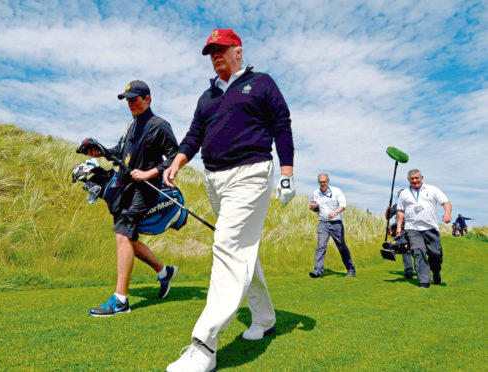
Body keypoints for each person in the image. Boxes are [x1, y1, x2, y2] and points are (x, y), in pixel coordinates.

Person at [163, 28, 295, 372]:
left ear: (238, 50)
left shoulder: (261, 82)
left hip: (251, 172)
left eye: (221, 49)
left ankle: (203, 346)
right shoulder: (206, 97)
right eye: (211, 51)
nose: (215, 55)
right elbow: (194, 135)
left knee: (226, 245)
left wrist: (288, 172)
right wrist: (178, 162)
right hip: (215, 179)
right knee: (241, 249)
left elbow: (282, 124)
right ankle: (264, 318)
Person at [86, 80, 180, 316]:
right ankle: (164, 272)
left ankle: (120, 300)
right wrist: (101, 152)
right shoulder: (131, 125)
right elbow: (119, 152)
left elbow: (175, 156)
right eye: (127, 100)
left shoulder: (160, 125)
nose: (130, 103)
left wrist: (150, 172)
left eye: (134, 99)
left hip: (146, 188)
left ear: (147, 99)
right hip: (125, 187)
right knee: (128, 238)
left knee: (122, 233)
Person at [396, 169, 452, 288]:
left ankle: (436, 272)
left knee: (436, 254)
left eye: (417, 178)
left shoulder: (433, 189)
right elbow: (400, 211)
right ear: (408, 180)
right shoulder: (404, 193)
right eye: (412, 179)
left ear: (422, 177)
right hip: (412, 229)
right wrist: (399, 226)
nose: (415, 181)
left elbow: (446, 203)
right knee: (418, 251)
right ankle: (424, 280)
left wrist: (447, 213)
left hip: (431, 228)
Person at [308, 173, 356, 278]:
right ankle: (318, 271)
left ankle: (351, 269)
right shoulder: (316, 193)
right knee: (321, 246)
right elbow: (313, 207)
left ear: (328, 182)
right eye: (320, 182)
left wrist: (335, 212)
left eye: (324, 182)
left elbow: (343, 205)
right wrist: (312, 207)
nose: (322, 184)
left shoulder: (336, 191)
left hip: (336, 224)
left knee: (341, 247)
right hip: (323, 224)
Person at [385, 189, 414, 279]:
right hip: (400, 229)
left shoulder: (414, 205)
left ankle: (392, 246)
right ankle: (409, 270)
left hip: (413, 228)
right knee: (405, 249)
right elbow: (388, 217)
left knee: (414, 249)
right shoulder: (396, 206)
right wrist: (388, 210)